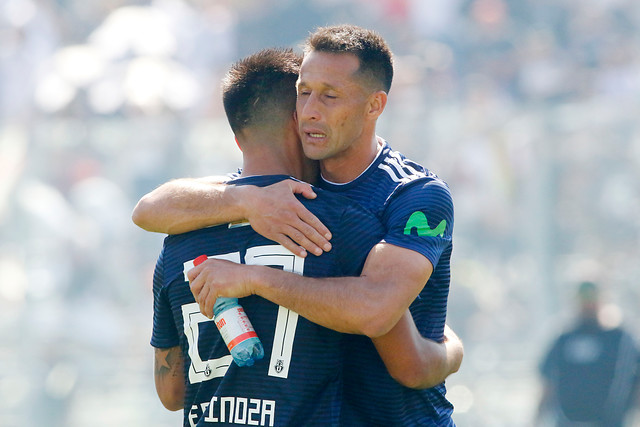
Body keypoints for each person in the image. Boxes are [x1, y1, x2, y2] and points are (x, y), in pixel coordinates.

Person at [136, 25, 459, 425]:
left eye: (329, 96)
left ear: (375, 105)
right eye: (303, 93)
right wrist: (246, 200)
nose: (310, 111)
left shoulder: (412, 195)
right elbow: (148, 209)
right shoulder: (301, 203)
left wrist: (253, 277)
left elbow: (378, 315)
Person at [537, 281, 640, 427]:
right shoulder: (563, 340)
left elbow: (635, 383)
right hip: (568, 423)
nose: (587, 306)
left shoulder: (620, 340)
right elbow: (548, 384)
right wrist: (537, 418)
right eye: (583, 301)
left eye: (592, 300)